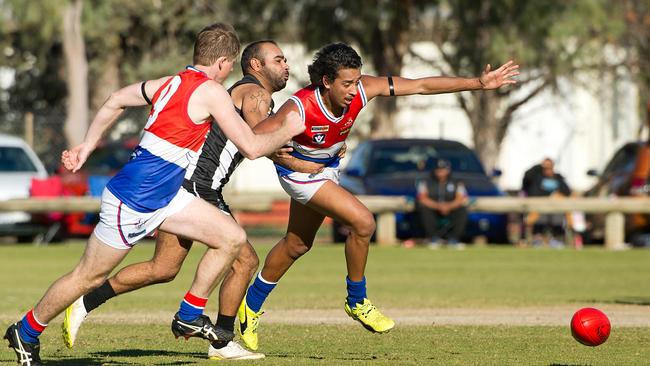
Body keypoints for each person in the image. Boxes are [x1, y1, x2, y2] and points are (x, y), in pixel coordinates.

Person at [4, 24, 304, 366]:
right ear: (223, 62)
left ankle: (189, 313)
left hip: (167, 196)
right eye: (229, 65)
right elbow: (251, 147)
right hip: (132, 200)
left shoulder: (169, 82)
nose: (228, 72)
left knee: (231, 237)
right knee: (87, 276)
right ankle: (25, 331)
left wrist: (87, 145)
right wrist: (288, 130)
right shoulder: (212, 92)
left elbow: (115, 100)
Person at [236, 42, 519, 351]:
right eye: (346, 83)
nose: (353, 89)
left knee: (297, 244)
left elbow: (422, 85)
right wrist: (287, 158)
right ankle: (357, 300)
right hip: (300, 176)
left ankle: (249, 307)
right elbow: (254, 139)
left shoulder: (361, 89)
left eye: (356, 80)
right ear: (326, 81)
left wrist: (477, 83)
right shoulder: (299, 107)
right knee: (363, 223)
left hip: (327, 169)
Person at [416, 158, 469, 249]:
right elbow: (422, 198)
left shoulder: (457, 182)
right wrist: (438, 206)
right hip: (433, 208)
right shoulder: (426, 181)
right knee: (424, 209)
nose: (441, 173)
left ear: (448, 170)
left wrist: (448, 206)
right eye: (439, 170)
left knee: (462, 210)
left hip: (451, 209)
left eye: (443, 170)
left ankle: (454, 239)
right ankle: (433, 238)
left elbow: (461, 198)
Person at [522, 158, 572, 247]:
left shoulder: (558, 179)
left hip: (556, 208)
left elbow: (567, 192)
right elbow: (529, 185)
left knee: (559, 216)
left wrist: (556, 195)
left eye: (550, 167)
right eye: (545, 167)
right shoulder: (537, 178)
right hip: (540, 208)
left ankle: (557, 239)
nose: (548, 169)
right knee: (538, 216)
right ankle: (538, 239)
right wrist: (538, 166)